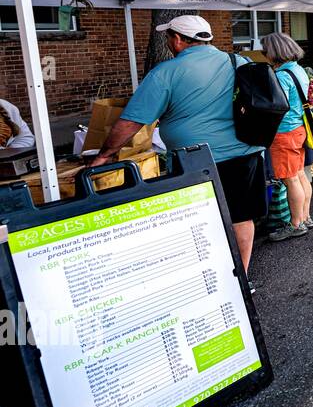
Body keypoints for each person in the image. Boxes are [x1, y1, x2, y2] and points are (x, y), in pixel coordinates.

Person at [89, 15, 266, 273]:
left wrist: (104, 155)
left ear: (179, 39)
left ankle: (214, 278)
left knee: (201, 220)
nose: (169, 42)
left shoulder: (165, 72)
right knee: (241, 217)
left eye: (170, 37)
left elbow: (131, 122)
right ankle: (241, 276)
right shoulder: (237, 61)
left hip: (196, 160)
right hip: (245, 151)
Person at [262, 32, 313, 240]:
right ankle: (305, 216)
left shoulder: (282, 76)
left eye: (265, 51)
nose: (264, 54)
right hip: (299, 129)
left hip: (284, 132)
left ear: (274, 52)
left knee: (290, 179)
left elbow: (277, 105)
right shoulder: (298, 70)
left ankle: (295, 224)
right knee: (300, 174)